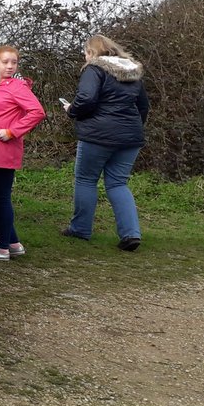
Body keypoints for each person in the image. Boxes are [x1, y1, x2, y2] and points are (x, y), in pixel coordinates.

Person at [61, 35, 150, 251]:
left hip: (98, 135)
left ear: (91, 52)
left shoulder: (94, 69)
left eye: (85, 52)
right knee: (118, 183)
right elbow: (143, 106)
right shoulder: (132, 72)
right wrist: (131, 128)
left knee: (86, 179)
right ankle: (131, 233)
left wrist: (71, 110)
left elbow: (87, 99)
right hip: (130, 137)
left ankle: (80, 229)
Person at [0, 45, 45, 260]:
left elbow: (37, 112)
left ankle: (2, 247)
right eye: (5, 62)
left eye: (14, 62)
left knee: (0, 197)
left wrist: (12, 131)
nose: (9, 66)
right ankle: (14, 242)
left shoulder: (17, 87)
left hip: (4, 149)